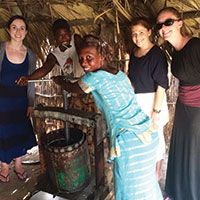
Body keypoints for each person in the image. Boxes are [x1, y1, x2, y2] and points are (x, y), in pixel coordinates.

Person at [52, 35, 163, 200]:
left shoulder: (94, 77)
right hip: (147, 134)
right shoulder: (119, 74)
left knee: (129, 191)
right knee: (146, 186)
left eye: (89, 58)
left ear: (102, 56)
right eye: (81, 59)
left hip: (130, 140)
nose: (84, 63)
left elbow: (74, 88)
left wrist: (59, 80)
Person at [156, 7, 200, 200]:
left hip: (197, 108)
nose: (164, 27)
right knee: (181, 148)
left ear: (180, 22)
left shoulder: (196, 46)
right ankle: (179, 193)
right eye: (160, 25)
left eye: (168, 22)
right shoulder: (176, 51)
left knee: (193, 152)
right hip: (183, 107)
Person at [127, 17, 169, 181]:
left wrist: (156, 111)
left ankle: (156, 176)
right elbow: (132, 79)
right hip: (138, 103)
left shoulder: (157, 54)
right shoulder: (134, 53)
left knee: (155, 140)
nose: (137, 37)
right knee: (142, 140)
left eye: (141, 33)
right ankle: (145, 177)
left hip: (153, 102)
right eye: (134, 34)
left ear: (150, 32)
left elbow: (162, 85)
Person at [0, 15, 37, 182]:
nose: (18, 31)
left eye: (22, 28)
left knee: (20, 133)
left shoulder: (30, 55)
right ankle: (4, 166)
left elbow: (31, 82)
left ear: (26, 32)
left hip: (20, 102)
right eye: (14, 27)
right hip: (2, 102)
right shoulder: (1, 50)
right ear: (8, 30)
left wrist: (30, 103)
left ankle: (18, 165)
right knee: (4, 133)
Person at [15, 18, 84, 85]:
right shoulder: (54, 55)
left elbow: (82, 52)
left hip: (86, 79)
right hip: (75, 84)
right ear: (55, 37)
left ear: (70, 33)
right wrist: (28, 78)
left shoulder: (75, 39)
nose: (64, 38)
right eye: (60, 36)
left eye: (66, 34)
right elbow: (45, 69)